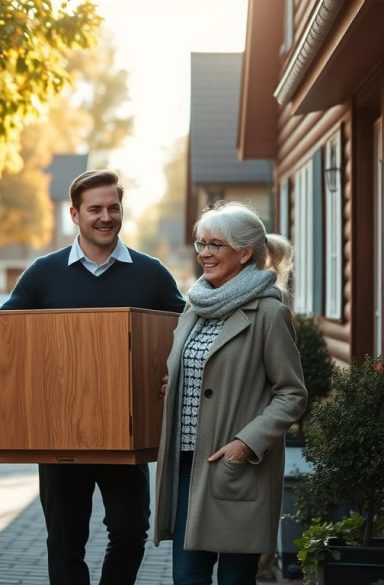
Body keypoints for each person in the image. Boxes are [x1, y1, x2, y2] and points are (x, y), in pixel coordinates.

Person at [0, 170, 185, 585]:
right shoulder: (43, 273)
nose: (105, 217)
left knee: (130, 532)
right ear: (75, 214)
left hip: (126, 435)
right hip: (60, 435)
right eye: (95, 209)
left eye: (113, 207)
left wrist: (177, 376)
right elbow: (3, 326)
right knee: (65, 539)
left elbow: (187, 331)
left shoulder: (151, 274)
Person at [153, 201, 307, 584]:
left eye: (215, 245)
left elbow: (292, 393)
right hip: (187, 466)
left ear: (243, 252)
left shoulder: (270, 313)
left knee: (235, 580)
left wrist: (246, 443)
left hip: (237, 467)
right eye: (201, 244)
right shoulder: (194, 305)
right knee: (188, 577)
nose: (204, 253)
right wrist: (178, 384)